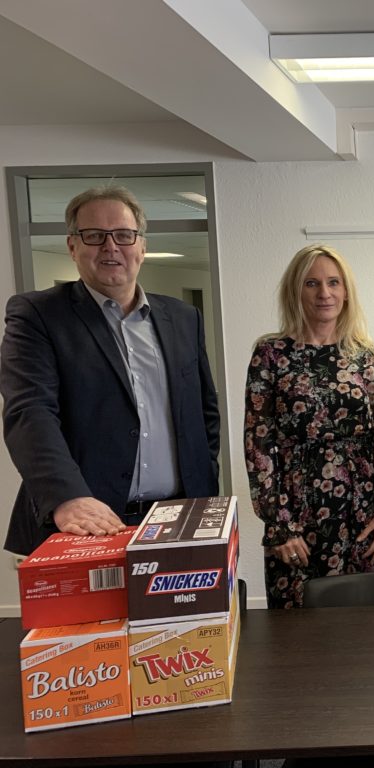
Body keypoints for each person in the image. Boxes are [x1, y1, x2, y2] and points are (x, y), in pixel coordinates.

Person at [1, 185, 220, 555]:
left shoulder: (184, 317)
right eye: (94, 235)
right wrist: (67, 497)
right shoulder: (38, 315)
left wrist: (203, 484)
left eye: (123, 235)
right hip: (85, 524)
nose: (110, 246)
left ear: (142, 246)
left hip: (177, 518)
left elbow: (204, 414)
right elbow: (30, 413)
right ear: (73, 246)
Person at [244, 244, 374, 608]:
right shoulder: (270, 354)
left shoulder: (363, 354)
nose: (324, 293)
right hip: (298, 514)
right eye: (312, 283)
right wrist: (279, 525)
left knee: (369, 618)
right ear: (295, 290)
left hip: (363, 510)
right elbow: (258, 445)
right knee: (300, 619)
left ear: (346, 291)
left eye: (334, 282)